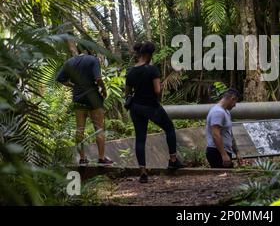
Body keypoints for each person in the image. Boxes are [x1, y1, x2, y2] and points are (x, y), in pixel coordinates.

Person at [125, 41, 185, 183]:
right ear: (149, 55)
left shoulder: (131, 71)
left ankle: (143, 171)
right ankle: (172, 160)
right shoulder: (152, 70)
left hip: (136, 108)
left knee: (140, 138)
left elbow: (127, 93)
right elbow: (157, 90)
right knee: (169, 127)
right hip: (151, 107)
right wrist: (161, 86)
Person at [56, 39, 113, 167]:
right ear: (89, 49)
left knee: (79, 129)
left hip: (78, 98)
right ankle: (101, 158)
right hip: (93, 97)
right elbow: (98, 78)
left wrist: (74, 86)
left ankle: (82, 159)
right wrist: (103, 89)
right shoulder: (92, 60)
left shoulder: (69, 62)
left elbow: (60, 79)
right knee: (98, 128)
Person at [205, 88, 243, 168]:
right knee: (222, 178)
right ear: (232, 99)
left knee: (228, 178)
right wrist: (224, 155)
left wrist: (237, 152)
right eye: (235, 102)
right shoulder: (218, 112)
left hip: (224, 151)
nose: (235, 105)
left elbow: (229, 134)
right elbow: (215, 134)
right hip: (216, 152)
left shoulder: (226, 112)